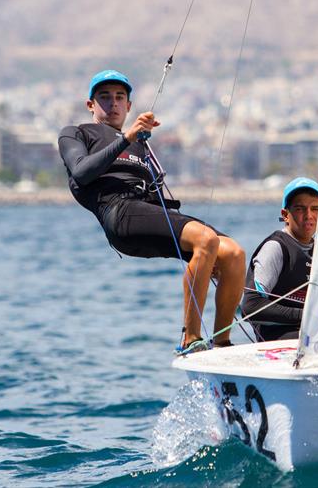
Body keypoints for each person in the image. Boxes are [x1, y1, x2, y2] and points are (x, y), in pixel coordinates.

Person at [58, 69, 245, 352]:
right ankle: (191, 338)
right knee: (205, 238)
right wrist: (126, 137)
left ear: (129, 105)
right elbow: (82, 172)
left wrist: (204, 262)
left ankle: (222, 343)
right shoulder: (77, 133)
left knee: (233, 253)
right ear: (90, 105)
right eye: (105, 97)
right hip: (118, 212)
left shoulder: (139, 144)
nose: (113, 103)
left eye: (120, 97)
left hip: (145, 210)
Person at [241, 177, 318, 341]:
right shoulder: (275, 248)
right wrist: (306, 316)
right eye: (300, 209)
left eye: (315, 209)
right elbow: (251, 306)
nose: (309, 215)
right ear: (285, 215)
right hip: (278, 338)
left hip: (313, 332)